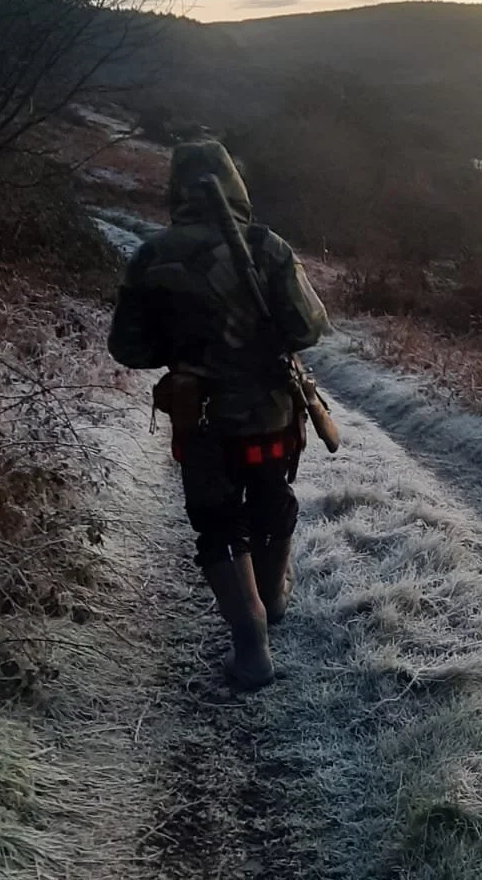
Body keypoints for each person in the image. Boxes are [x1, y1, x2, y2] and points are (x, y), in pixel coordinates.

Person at [107, 140, 329, 689]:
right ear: (235, 184)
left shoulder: (153, 255)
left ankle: (251, 645)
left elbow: (128, 349)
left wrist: (183, 344)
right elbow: (307, 329)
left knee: (217, 521)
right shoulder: (267, 246)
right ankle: (274, 598)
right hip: (273, 416)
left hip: (200, 418)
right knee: (273, 499)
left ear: (175, 188)